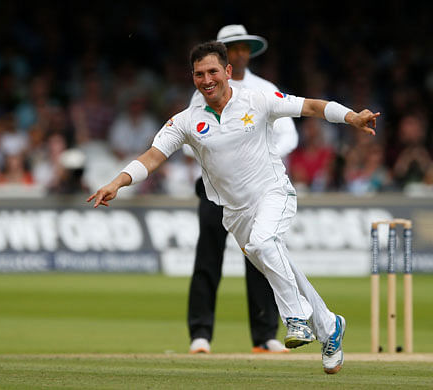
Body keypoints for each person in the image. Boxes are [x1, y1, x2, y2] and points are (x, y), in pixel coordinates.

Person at [87, 41, 379, 374]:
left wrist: (352, 117)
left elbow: (312, 107)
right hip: (235, 213)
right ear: (193, 77)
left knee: (264, 243)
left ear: (227, 72)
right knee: (280, 266)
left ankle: (297, 320)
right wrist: (117, 182)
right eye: (199, 74)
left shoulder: (257, 99)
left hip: (273, 194)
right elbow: (152, 157)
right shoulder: (185, 120)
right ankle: (330, 325)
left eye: (213, 71)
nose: (206, 79)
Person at [185, 25, 298, 355]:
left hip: (257, 188)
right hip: (214, 187)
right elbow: (190, 132)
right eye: (232, 47)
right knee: (208, 257)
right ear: (223, 54)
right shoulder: (205, 87)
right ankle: (200, 334)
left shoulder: (264, 89)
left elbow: (290, 134)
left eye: (244, 47)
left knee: (262, 255)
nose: (239, 52)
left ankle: (265, 335)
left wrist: (263, 157)